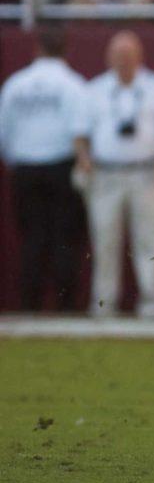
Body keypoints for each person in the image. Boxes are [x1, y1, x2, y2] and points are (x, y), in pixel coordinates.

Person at [72, 32, 154, 318]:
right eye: (118, 56)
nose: (123, 61)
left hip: (146, 173)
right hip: (106, 175)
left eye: (128, 56)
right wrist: (84, 160)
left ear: (140, 57)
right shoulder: (95, 89)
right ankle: (104, 303)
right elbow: (79, 133)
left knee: (150, 241)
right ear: (108, 58)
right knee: (105, 241)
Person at [0, 27, 89, 311]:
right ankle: (65, 306)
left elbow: (3, 131)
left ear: (37, 49)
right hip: (60, 167)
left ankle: (31, 305)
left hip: (25, 167)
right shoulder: (72, 84)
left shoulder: (16, 84)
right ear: (66, 49)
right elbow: (81, 130)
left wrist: (15, 161)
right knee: (64, 239)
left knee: (32, 239)